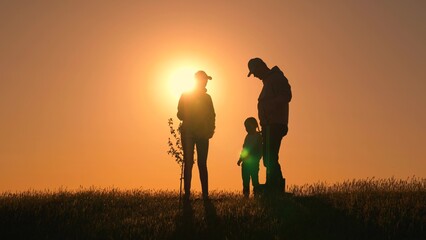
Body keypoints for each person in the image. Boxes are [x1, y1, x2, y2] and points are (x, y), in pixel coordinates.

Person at [247, 57, 292, 194]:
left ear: (261, 67)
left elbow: (286, 96)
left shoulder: (276, 78)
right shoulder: (269, 81)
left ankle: (276, 187)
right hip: (269, 125)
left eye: (254, 71)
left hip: (275, 124)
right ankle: (273, 185)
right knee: (269, 157)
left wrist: (269, 109)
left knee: (270, 157)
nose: (254, 75)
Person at [177, 70, 216, 201]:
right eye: (204, 80)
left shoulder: (200, 97)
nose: (205, 82)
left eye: (206, 80)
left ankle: (200, 193)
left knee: (197, 163)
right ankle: (192, 193)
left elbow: (212, 115)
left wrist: (210, 129)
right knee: (193, 163)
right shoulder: (201, 97)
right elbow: (180, 114)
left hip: (200, 132)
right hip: (194, 132)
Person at [237, 117, 262, 198]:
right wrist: (240, 159)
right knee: (245, 181)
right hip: (245, 163)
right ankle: (246, 196)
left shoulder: (258, 137)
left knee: (255, 180)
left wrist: (257, 157)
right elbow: (244, 149)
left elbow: (259, 149)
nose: (246, 129)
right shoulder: (247, 137)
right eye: (246, 127)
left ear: (254, 125)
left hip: (254, 162)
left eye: (247, 126)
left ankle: (256, 195)